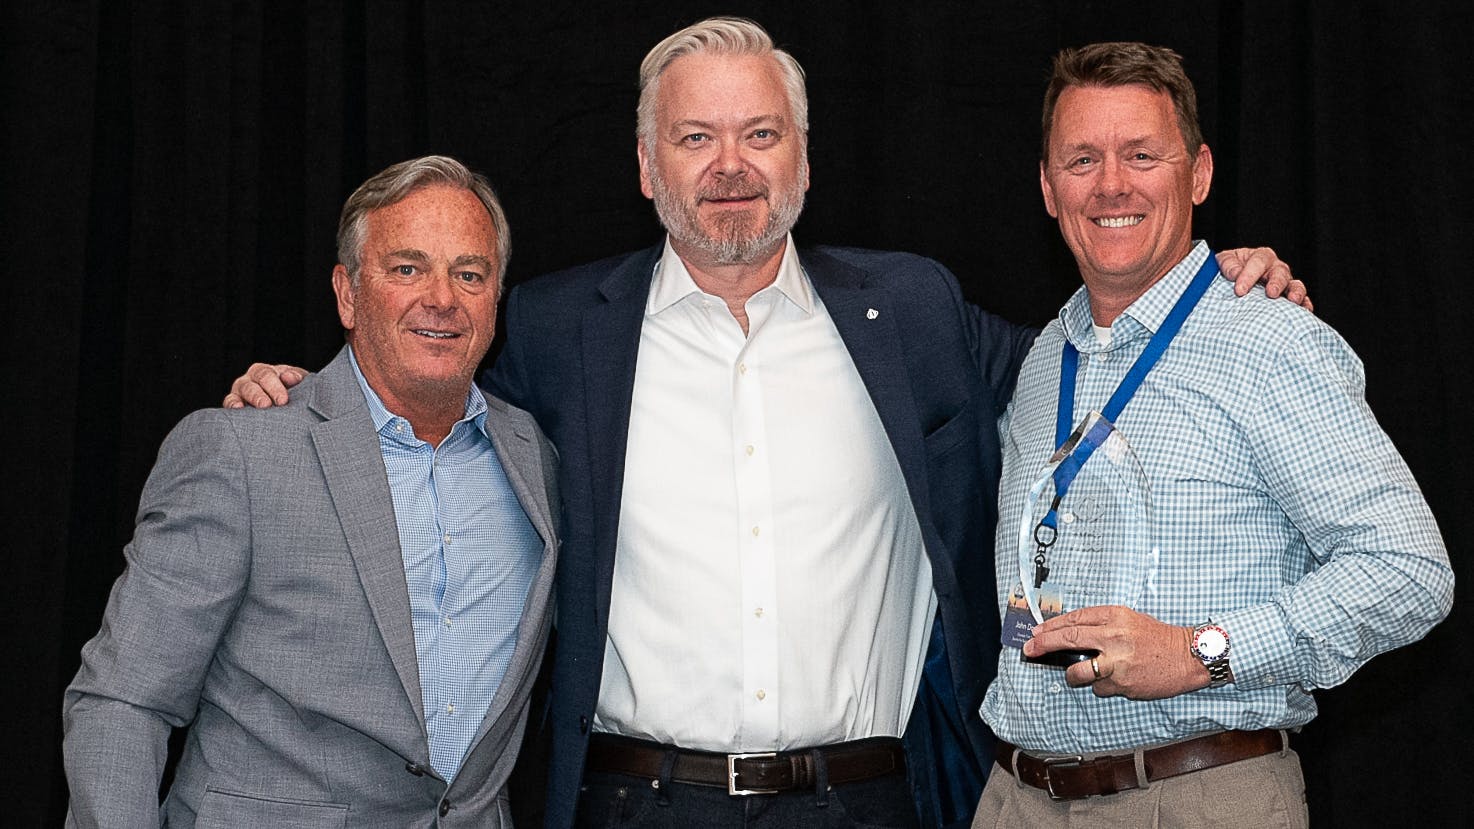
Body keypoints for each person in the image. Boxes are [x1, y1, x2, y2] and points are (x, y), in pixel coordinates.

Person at [224, 18, 1304, 829]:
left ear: (800, 158)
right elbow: (425, 377)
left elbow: (1096, 366)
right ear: (649, 168)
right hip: (635, 800)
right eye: (694, 137)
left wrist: (1208, 289)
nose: (729, 165)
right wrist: (306, 395)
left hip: (869, 800)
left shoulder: (911, 310)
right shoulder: (558, 331)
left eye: (759, 134)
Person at [974, 42, 1452, 827]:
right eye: (1082, 159)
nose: (1112, 184)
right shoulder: (1040, 362)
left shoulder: (1269, 341)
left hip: (1196, 797)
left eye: (1141, 154)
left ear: (1197, 172)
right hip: (1017, 798)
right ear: (1048, 188)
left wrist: (1203, 652)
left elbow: (1408, 569)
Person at [64, 156, 561, 827]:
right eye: (407, 268)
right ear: (347, 293)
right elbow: (124, 701)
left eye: (469, 273)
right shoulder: (243, 449)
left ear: (496, 299)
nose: (442, 297)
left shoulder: (536, 459)